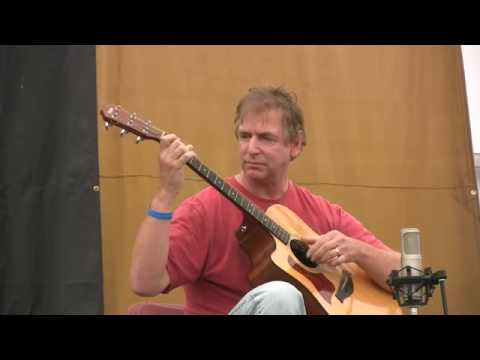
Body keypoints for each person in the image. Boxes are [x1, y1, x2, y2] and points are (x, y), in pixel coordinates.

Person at [130, 86, 401, 315]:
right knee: (280, 296)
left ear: (295, 146)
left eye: (266, 138)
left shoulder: (320, 211)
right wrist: (165, 195)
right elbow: (144, 282)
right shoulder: (205, 208)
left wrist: (358, 250)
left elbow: (407, 277)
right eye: (245, 136)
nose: (252, 148)